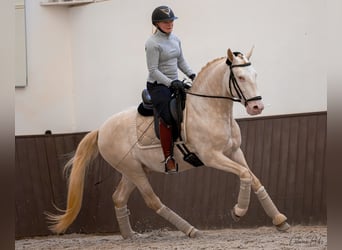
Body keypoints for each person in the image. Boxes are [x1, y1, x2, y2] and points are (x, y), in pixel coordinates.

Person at [145, 6, 196, 173]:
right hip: (158, 85)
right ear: (157, 23)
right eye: (166, 21)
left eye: (171, 21)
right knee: (167, 116)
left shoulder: (176, 39)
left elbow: (181, 61)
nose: (170, 24)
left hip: (175, 82)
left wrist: (193, 75)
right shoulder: (152, 43)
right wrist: (170, 83)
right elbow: (153, 70)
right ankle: (168, 157)